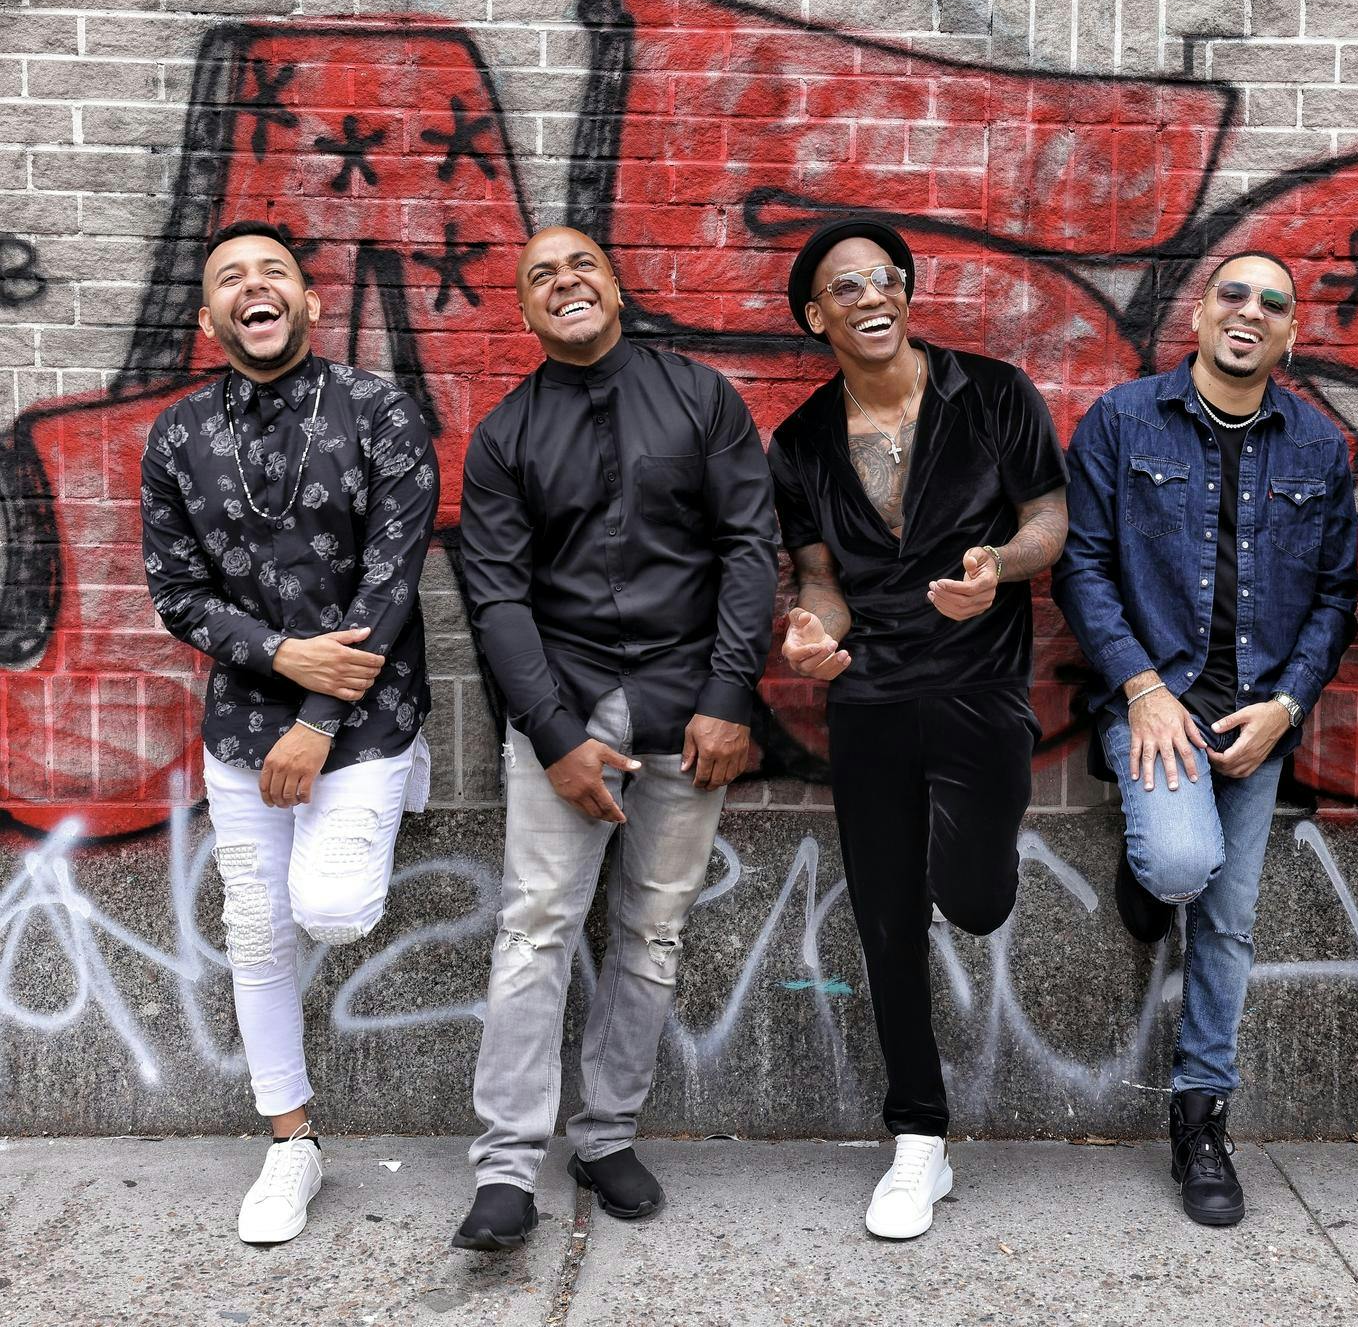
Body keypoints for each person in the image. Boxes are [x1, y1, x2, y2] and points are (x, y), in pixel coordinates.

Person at [451, 227, 779, 1251]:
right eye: (540, 274)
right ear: (526, 309)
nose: (564, 282)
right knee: (536, 924)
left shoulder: (701, 397)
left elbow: (747, 545)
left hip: (689, 701)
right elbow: (497, 595)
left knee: (651, 929)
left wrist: (728, 694)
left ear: (616, 285)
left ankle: (604, 1134)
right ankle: (505, 1167)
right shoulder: (505, 434)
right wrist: (553, 735)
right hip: (567, 699)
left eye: (580, 264)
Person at [769, 218, 1068, 1239]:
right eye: (844, 285)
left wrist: (999, 567)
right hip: (870, 694)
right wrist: (813, 631)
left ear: (904, 293)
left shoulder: (990, 393)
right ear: (816, 315)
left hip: (980, 685)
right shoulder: (800, 440)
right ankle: (916, 1138)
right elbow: (820, 580)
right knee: (887, 916)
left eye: (884, 278)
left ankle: (975, 876)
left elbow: (1046, 519)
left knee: (974, 901)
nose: (869, 295)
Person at [140, 220, 438, 1244]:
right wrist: (280, 657)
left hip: (364, 712)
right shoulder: (178, 433)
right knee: (255, 931)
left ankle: (405, 775)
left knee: (335, 907)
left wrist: (318, 713)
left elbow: (392, 579)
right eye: (231, 277)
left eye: (273, 272)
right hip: (240, 718)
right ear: (208, 315)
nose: (253, 287)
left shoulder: (378, 408)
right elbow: (174, 594)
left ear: (309, 302)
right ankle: (291, 1143)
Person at [1052, 251, 1358, 1226]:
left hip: (1257, 715)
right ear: (1198, 316)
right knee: (1183, 860)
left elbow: (1337, 595)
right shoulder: (1121, 421)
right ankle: (1151, 870)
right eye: (1233, 293)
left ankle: (1201, 1119)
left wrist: (1289, 705)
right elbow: (1082, 565)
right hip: (1155, 700)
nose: (1250, 312)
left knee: (1227, 920)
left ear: (1290, 334)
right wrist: (1139, 689)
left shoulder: (1318, 447)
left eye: (1274, 302)